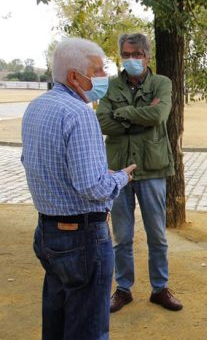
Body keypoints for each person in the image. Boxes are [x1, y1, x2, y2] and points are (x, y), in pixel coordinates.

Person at [21, 37, 136, 339]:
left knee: (56, 322)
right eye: (97, 71)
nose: (103, 77)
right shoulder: (79, 113)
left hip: (47, 232)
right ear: (75, 76)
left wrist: (97, 174)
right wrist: (120, 177)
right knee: (88, 328)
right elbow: (92, 187)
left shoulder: (37, 106)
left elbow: (32, 161)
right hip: (81, 238)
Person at [96, 33, 182, 312]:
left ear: (147, 56)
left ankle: (160, 288)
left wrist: (122, 113)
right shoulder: (109, 87)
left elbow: (159, 117)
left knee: (157, 234)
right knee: (122, 236)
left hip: (152, 168)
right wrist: (139, 113)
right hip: (118, 170)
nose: (131, 59)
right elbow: (103, 122)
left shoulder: (161, 83)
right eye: (126, 55)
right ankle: (123, 288)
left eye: (137, 54)